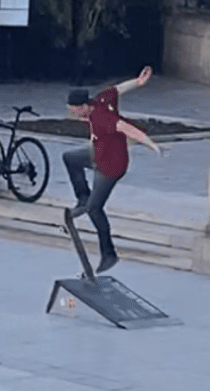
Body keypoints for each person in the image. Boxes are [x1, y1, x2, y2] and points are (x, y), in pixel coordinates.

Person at [63, 67, 163, 274]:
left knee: (95, 209)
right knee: (70, 158)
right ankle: (82, 197)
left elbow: (128, 129)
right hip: (99, 153)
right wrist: (138, 82)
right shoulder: (101, 99)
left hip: (110, 167)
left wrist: (151, 144)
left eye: (73, 110)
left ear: (82, 107)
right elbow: (118, 89)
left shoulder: (101, 117)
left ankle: (109, 254)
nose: (71, 114)